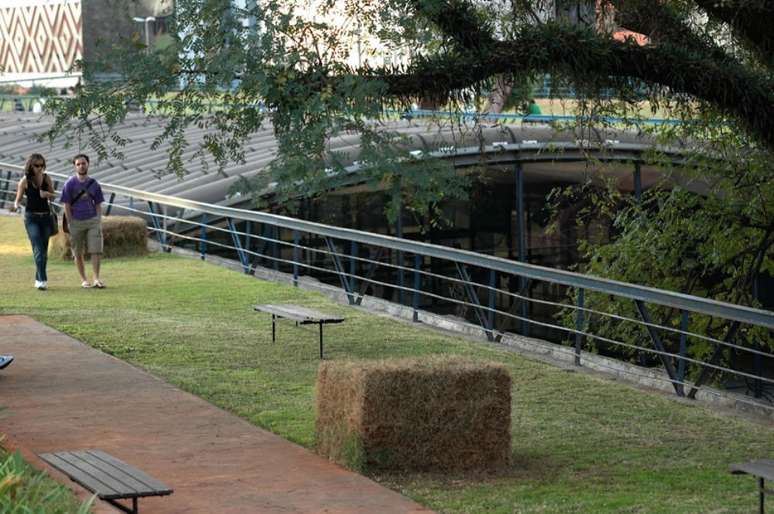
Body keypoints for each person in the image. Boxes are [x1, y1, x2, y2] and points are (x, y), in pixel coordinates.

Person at [10, 153, 57, 290]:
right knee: (38, 248)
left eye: (42, 165)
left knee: (43, 251)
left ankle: (38, 278)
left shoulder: (47, 178)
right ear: (31, 166)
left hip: (46, 218)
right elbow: (17, 200)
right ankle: (42, 280)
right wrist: (17, 207)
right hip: (31, 218)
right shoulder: (24, 181)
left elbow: (54, 196)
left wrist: (47, 194)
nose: (40, 168)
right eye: (37, 165)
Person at [60, 154, 106, 289]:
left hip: (92, 220)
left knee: (96, 250)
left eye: (83, 163)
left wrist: (98, 219)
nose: (81, 166)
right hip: (76, 222)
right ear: (75, 166)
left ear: (88, 164)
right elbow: (66, 205)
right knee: (78, 252)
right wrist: (70, 222)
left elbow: (98, 203)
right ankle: (84, 280)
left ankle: (96, 278)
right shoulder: (69, 184)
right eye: (78, 164)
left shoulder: (94, 184)